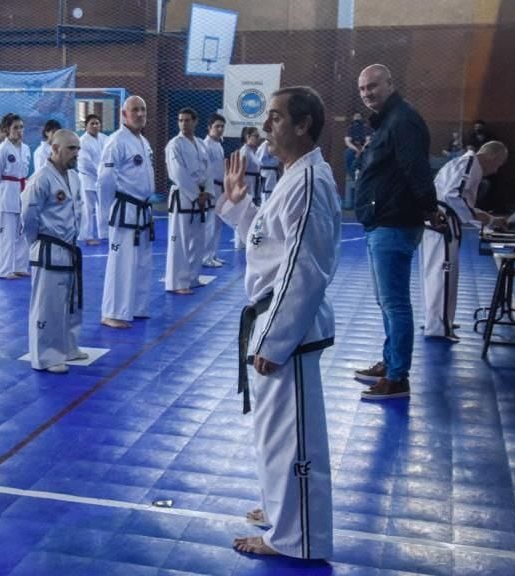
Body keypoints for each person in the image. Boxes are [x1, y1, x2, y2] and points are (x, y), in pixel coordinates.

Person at [219, 85, 338, 560]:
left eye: (275, 117)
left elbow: (304, 268)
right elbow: (269, 245)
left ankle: (297, 538)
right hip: (271, 317)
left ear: (303, 124)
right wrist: (239, 207)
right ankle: (278, 510)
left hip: (286, 326)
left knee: (293, 438)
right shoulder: (292, 175)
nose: (266, 126)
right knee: (273, 432)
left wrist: (273, 339)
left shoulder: (310, 180)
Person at [352, 64, 443, 401]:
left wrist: (430, 208)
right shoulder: (390, 121)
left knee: (395, 304)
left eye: (373, 86)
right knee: (387, 301)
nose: (367, 93)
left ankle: (397, 377)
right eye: (362, 89)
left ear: (391, 83)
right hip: (383, 221)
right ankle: (390, 361)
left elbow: (416, 168)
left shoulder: (403, 120)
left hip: (394, 222)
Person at [421, 141, 508, 341]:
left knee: (438, 274)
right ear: (492, 156)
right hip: (443, 224)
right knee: (442, 275)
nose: (496, 170)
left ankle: (438, 319)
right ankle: (439, 326)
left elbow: (459, 201)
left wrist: (488, 219)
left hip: (441, 223)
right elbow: (454, 196)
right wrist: (476, 218)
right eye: (499, 164)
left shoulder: (466, 164)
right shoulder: (469, 164)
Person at [22, 129, 88, 374]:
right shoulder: (41, 179)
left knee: (70, 302)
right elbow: (28, 217)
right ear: (55, 149)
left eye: (78, 149)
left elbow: (77, 212)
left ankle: (68, 347)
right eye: (71, 148)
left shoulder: (74, 177)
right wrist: (37, 242)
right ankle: (46, 356)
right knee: (47, 305)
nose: (76, 154)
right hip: (49, 247)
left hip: (69, 246)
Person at [99, 96, 155, 329]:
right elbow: (104, 181)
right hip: (124, 209)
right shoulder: (117, 141)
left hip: (142, 208)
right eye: (135, 110)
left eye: (143, 109)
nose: (140, 114)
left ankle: (135, 307)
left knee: (142, 262)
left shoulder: (142, 140)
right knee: (121, 263)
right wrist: (106, 214)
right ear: (124, 114)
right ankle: (112, 312)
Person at [164, 107, 210, 295]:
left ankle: (192, 277)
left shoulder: (201, 144)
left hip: (200, 195)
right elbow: (177, 172)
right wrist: (195, 194)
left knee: (197, 239)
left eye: (187, 120)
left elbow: (208, 170)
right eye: (180, 120)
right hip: (183, 195)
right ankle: (177, 282)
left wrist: (206, 191)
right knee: (180, 241)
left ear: (195, 122)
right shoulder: (174, 144)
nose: (183, 124)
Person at [0, 113, 32, 279]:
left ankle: (20, 266)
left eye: (21, 127)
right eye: (16, 128)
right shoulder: (3, 149)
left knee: (23, 232)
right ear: (7, 130)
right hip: (7, 193)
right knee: (6, 235)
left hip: (23, 191)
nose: (20, 131)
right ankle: (4, 269)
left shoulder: (26, 148)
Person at [77, 113, 108, 246]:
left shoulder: (105, 139)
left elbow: (109, 158)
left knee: (104, 207)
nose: (95, 126)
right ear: (86, 126)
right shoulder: (82, 141)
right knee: (87, 209)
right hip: (88, 178)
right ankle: (87, 236)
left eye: (97, 123)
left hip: (103, 179)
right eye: (92, 124)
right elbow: (85, 163)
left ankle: (105, 233)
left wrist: (107, 174)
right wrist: (101, 173)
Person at [203, 113, 227, 268]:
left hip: (220, 187)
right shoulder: (206, 146)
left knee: (217, 222)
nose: (220, 129)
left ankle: (213, 254)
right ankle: (205, 257)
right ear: (209, 128)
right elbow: (204, 171)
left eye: (222, 127)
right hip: (211, 187)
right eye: (217, 126)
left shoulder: (218, 144)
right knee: (210, 223)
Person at [344, 112, 368, 180]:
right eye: (355, 116)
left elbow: (368, 139)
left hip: (364, 148)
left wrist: (363, 148)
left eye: (358, 116)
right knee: (348, 153)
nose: (357, 117)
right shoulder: (351, 128)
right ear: (353, 118)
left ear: (361, 117)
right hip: (353, 148)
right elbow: (347, 141)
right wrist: (356, 149)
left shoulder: (365, 127)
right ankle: (352, 176)